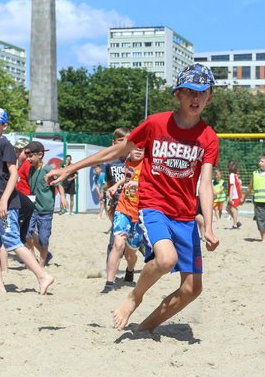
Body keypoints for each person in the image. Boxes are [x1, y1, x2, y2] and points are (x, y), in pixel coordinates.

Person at [47, 63, 220, 333]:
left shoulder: (208, 137)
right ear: (178, 94)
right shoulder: (156, 123)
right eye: (189, 91)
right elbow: (115, 151)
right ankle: (133, 297)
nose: (195, 98)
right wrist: (70, 168)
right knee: (165, 259)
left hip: (186, 216)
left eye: (202, 92)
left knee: (192, 289)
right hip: (155, 206)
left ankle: (145, 328)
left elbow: (206, 184)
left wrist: (208, 226)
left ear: (210, 96)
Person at [0, 107, 54, 294]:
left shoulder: (4, 145)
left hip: (5, 205)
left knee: (13, 243)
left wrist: (4, 200)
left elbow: (13, 175)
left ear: (4, 126)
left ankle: (43, 276)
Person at [102, 146, 144, 293]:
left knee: (130, 253)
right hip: (123, 208)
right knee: (118, 244)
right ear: (129, 150)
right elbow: (126, 177)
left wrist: (138, 184)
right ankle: (109, 283)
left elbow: (157, 185)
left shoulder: (148, 164)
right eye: (136, 148)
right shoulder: (127, 162)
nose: (139, 151)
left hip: (140, 213)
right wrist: (115, 185)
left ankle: (130, 270)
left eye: (142, 149)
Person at [24, 141, 55, 267]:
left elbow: (59, 185)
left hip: (46, 211)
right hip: (33, 209)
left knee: (43, 240)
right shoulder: (30, 170)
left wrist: (63, 198)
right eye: (27, 155)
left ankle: (41, 264)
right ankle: (33, 261)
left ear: (40, 154)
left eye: (30, 155)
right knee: (26, 234)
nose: (28, 158)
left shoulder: (48, 169)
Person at [244, 153, 265, 242]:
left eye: (262, 161)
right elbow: (249, 187)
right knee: (260, 220)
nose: (260, 163)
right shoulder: (255, 173)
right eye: (259, 161)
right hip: (258, 202)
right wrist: (243, 198)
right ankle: (263, 238)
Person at [226, 160, 242, 229]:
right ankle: (237, 221)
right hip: (236, 194)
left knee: (233, 209)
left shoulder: (232, 175)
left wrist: (230, 197)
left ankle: (235, 224)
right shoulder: (235, 175)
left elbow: (232, 186)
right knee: (228, 209)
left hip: (234, 195)